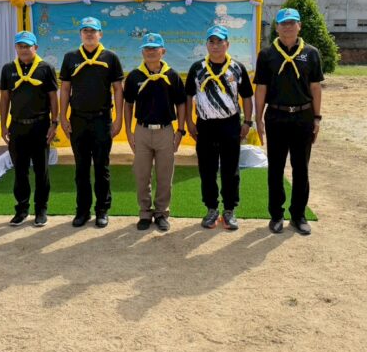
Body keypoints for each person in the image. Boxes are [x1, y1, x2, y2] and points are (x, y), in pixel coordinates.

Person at [253, 8, 324, 236]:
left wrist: (317, 118)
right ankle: (276, 215)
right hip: (276, 116)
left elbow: (315, 87)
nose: (288, 27)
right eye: (283, 23)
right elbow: (261, 88)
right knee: (275, 168)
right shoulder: (267, 55)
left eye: (292, 23)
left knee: (301, 168)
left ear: (299, 26)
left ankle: (298, 215)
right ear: (277, 27)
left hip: (303, 117)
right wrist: (258, 119)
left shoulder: (311, 53)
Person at [185, 25, 253, 231]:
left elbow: (247, 96)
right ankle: (211, 209)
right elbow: (188, 96)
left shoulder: (237, 68)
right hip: (205, 126)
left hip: (230, 125)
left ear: (227, 44)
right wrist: (189, 122)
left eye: (219, 41)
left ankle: (229, 210)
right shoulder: (197, 68)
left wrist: (247, 122)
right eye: (211, 42)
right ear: (207, 45)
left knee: (231, 170)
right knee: (207, 170)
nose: (215, 46)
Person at [59, 16, 124, 228]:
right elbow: (65, 88)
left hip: (101, 120)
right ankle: (83, 211)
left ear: (100, 34)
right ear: (80, 34)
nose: (89, 34)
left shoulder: (110, 57)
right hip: (78, 120)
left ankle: (102, 210)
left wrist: (118, 119)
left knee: (102, 168)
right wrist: (62, 116)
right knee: (81, 169)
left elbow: (118, 89)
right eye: (85, 30)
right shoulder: (70, 57)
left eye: (93, 31)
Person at [123, 32, 187, 232]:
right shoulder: (134, 76)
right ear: (142, 51)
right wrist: (128, 132)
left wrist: (180, 130)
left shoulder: (172, 76)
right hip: (142, 131)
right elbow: (128, 104)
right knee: (142, 175)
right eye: (147, 48)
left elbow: (181, 104)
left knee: (165, 175)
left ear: (163, 51)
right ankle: (144, 212)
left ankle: (161, 213)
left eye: (154, 48)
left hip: (165, 131)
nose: (150, 52)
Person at [0, 31, 59, 227]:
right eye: (20, 46)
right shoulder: (8, 69)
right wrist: (3, 124)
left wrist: (54, 122)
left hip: (40, 126)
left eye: (27, 46)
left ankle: (41, 210)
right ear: (16, 48)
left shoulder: (46, 68)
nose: (24, 50)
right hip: (17, 126)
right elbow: (5, 97)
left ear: (36, 48)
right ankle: (22, 210)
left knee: (41, 171)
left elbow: (53, 97)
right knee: (20, 171)